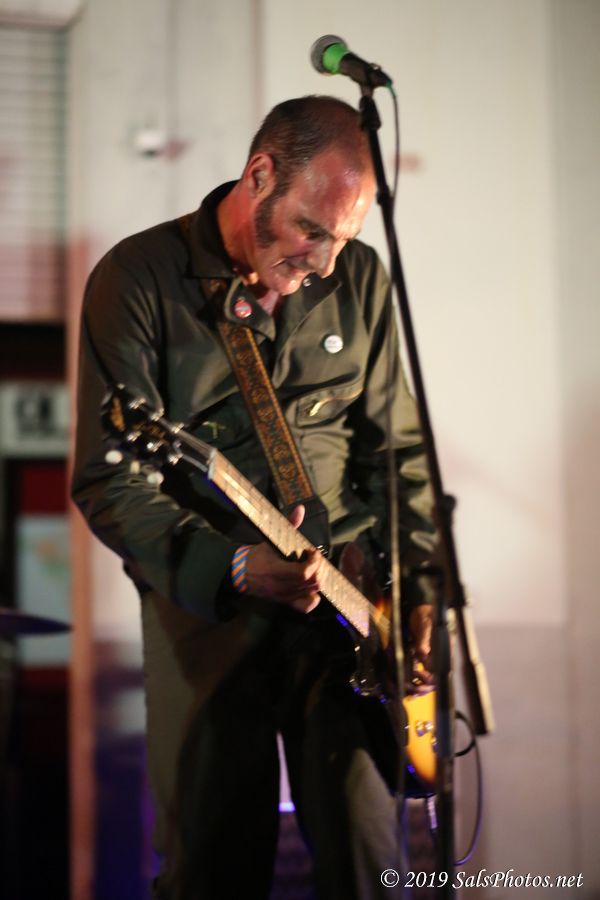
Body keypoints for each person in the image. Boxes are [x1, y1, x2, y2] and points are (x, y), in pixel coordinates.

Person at [72, 95, 437, 900]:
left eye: (344, 239)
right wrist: (233, 565)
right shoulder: (140, 279)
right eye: (312, 230)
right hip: (207, 613)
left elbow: (400, 454)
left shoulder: (358, 280)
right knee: (213, 868)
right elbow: (107, 478)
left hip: (355, 612)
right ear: (260, 175)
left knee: (373, 868)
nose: (326, 262)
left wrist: (417, 592)